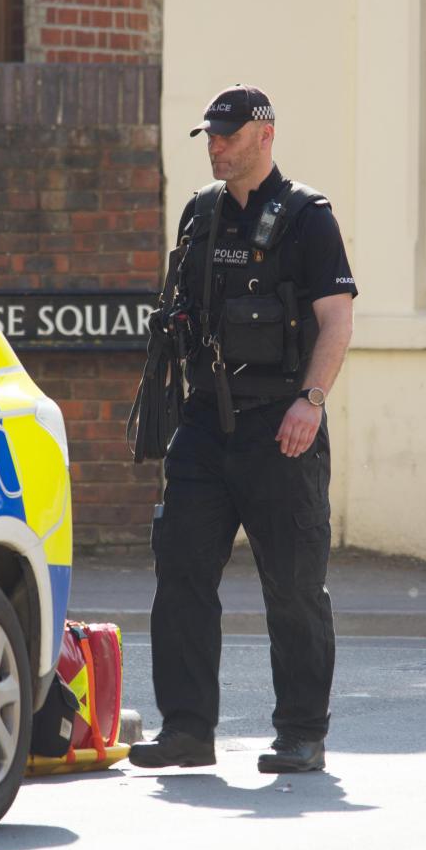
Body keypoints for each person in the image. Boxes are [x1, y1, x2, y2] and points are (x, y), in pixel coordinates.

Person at [128, 84, 357, 774]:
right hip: (205, 422)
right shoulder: (199, 215)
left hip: (280, 425)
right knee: (181, 571)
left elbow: (336, 320)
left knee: (292, 585)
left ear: (266, 134)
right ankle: (188, 730)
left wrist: (310, 402)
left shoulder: (308, 218)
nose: (217, 146)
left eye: (228, 134)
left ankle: (301, 732)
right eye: (211, 136)